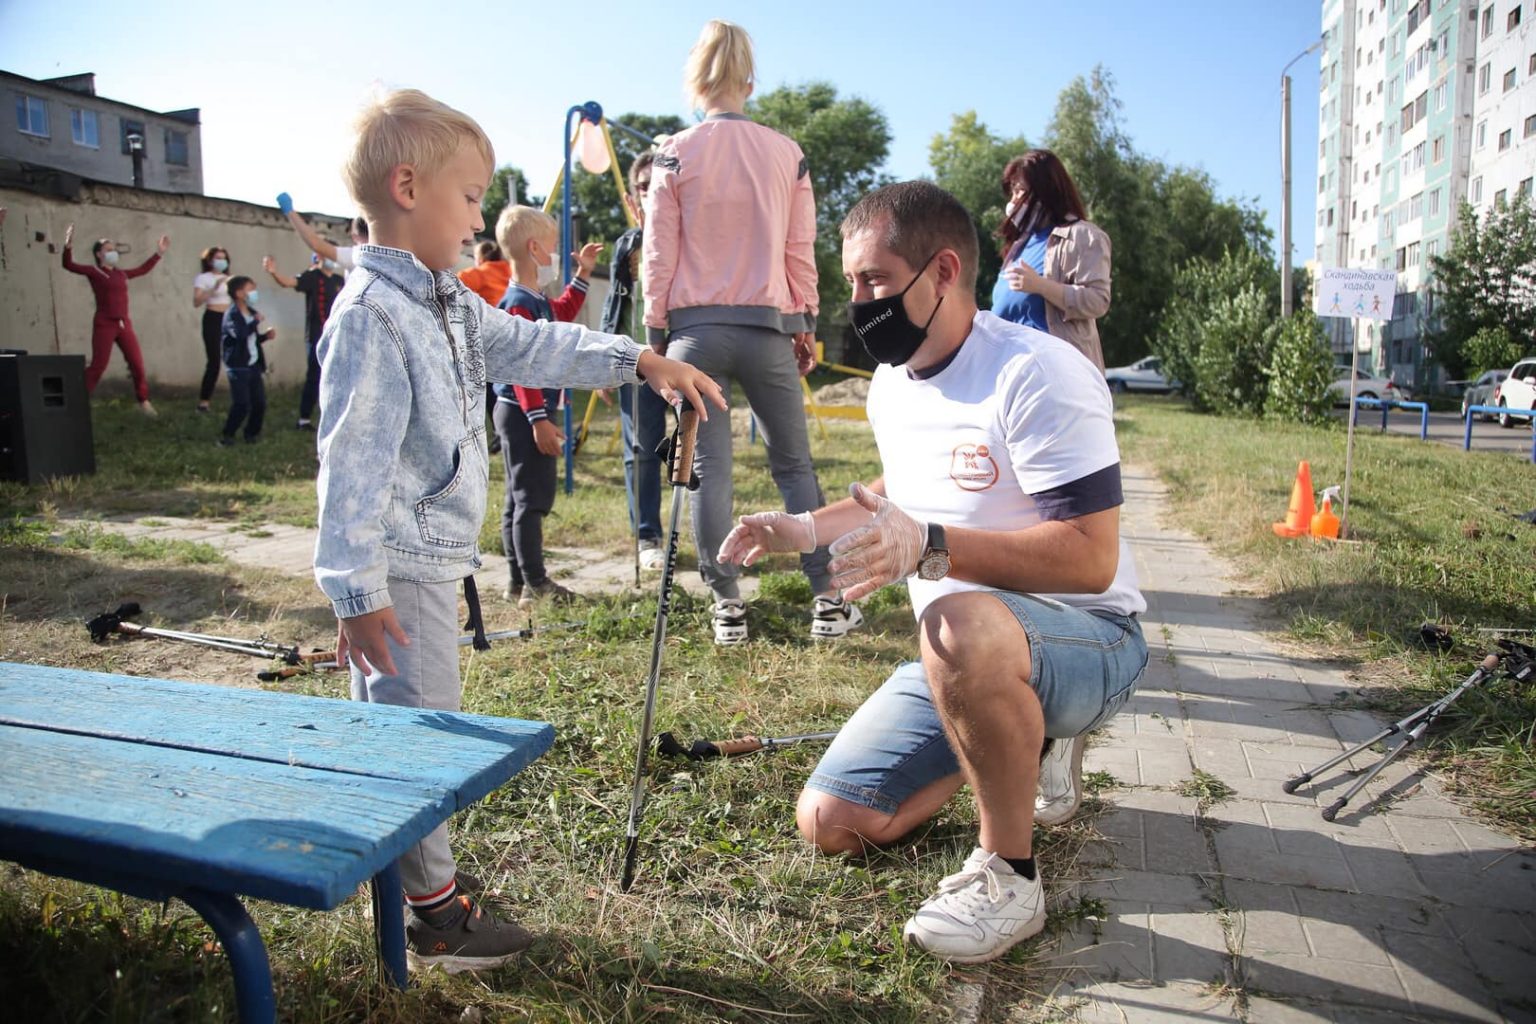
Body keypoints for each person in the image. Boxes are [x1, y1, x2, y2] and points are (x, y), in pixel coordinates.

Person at [314, 87, 723, 974]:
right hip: (397, 568)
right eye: (470, 199)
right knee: (419, 735)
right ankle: (435, 917)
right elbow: (348, 466)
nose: (477, 221)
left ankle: (417, 894)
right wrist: (354, 593)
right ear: (409, 187)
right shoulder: (372, 316)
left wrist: (636, 360)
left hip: (423, 559)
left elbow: (536, 347)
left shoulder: (450, 304)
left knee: (413, 728)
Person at [718, 181, 1147, 964]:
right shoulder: (892, 382)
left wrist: (933, 549)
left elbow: (1091, 555)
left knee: (953, 621)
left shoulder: (1036, 372)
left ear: (942, 271)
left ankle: (1008, 876)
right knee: (833, 821)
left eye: (874, 281)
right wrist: (802, 529)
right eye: (850, 283)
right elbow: (896, 498)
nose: (858, 301)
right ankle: (1010, 735)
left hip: (1092, 641)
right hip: (967, 650)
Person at [643, 19, 853, 645]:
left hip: (695, 334)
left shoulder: (672, 152)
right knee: (794, 467)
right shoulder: (787, 153)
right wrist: (805, 322)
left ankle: (727, 603)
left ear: (695, 78)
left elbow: (659, 250)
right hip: (768, 330)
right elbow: (799, 246)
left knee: (710, 468)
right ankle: (827, 598)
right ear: (749, 81)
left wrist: (657, 332)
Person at [491, 205, 604, 608]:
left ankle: (517, 583)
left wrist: (583, 274)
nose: (557, 255)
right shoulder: (519, 303)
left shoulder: (534, 299)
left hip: (520, 411)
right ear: (536, 249)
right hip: (525, 411)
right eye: (555, 248)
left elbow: (562, 316)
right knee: (532, 500)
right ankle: (536, 584)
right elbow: (520, 367)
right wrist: (539, 419)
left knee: (518, 499)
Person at [602, 151, 668, 573]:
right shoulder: (628, 246)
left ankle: (702, 529)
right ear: (633, 199)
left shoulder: (689, 236)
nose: (652, 192)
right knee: (641, 450)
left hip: (684, 356)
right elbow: (615, 305)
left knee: (696, 453)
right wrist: (608, 358)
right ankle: (648, 534)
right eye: (644, 186)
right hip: (639, 361)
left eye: (659, 183)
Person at [990, 149, 1112, 372]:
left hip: (1056, 375)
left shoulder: (1082, 236)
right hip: (1009, 372)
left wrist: (1041, 286)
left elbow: (1098, 300)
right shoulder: (1020, 243)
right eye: (1012, 192)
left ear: (1045, 192)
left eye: (1020, 191)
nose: (1013, 200)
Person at [60, 224, 169, 416]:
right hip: (104, 323)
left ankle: (143, 401)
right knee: (98, 365)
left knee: (137, 363)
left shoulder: (120, 274)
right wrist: (68, 246)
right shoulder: (95, 272)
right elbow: (69, 265)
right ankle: (76, 400)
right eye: (108, 250)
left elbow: (142, 270)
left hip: (123, 323)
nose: (113, 253)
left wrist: (158, 253)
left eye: (114, 250)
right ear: (99, 254)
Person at [261, 251, 345, 429]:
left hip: (337, 335)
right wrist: (274, 272)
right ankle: (304, 418)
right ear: (319, 258)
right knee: (314, 376)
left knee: (335, 377)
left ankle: (330, 415)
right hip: (316, 335)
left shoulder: (339, 280)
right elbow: (289, 282)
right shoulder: (312, 277)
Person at [458, 239, 513, 455]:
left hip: (488, 340)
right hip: (512, 334)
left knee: (488, 389)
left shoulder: (480, 273)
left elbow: (452, 282)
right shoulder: (510, 271)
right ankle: (504, 429)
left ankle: (499, 431)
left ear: (480, 257)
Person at [217, 276, 275, 446]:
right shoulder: (232, 314)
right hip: (238, 365)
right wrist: (254, 322)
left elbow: (252, 339)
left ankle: (251, 434)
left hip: (253, 365)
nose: (253, 293)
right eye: (250, 289)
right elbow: (240, 334)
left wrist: (265, 336)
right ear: (238, 293)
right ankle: (228, 435)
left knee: (259, 403)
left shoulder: (250, 312)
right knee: (242, 404)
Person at [276, 191, 369, 271]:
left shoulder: (356, 256)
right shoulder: (379, 255)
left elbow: (315, 243)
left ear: (354, 236)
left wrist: (289, 211)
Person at [192, 246, 233, 412]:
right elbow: (196, 302)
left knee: (235, 359)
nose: (221, 261)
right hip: (213, 318)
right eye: (218, 258)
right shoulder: (204, 278)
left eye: (224, 258)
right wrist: (213, 288)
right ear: (209, 260)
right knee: (214, 361)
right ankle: (204, 402)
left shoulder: (229, 278)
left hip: (228, 319)